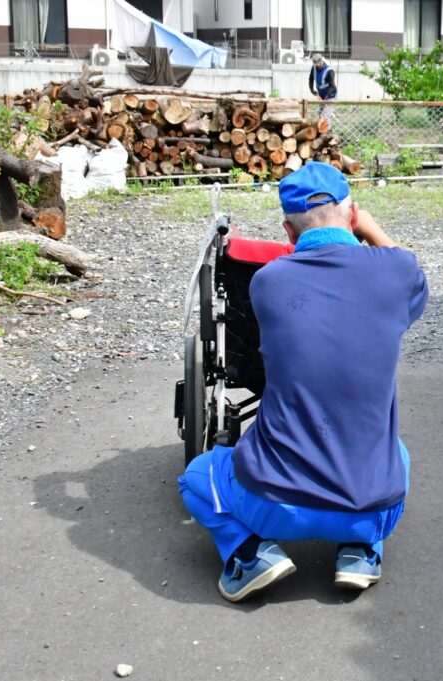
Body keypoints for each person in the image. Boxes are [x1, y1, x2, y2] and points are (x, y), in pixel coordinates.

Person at [178, 162, 428, 602]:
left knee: (197, 476)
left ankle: (251, 555)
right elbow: (410, 273)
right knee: (397, 452)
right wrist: (369, 227)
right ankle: (360, 549)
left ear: (288, 232)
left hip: (274, 506)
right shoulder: (397, 272)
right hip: (373, 506)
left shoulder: (268, 283)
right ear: (353, 216)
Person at [308, 53, 337, 118]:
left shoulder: (329, 71)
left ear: (322, 61)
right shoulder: (314, 68)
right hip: (322, 96)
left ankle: (327, 124)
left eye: (318, 64)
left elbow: (332, 87)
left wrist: (326, 99)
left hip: (330, 96)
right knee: (319, 114)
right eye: (316, 65)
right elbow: (311, 78)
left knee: (325, 116)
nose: (317, 66)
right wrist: (312, 90)